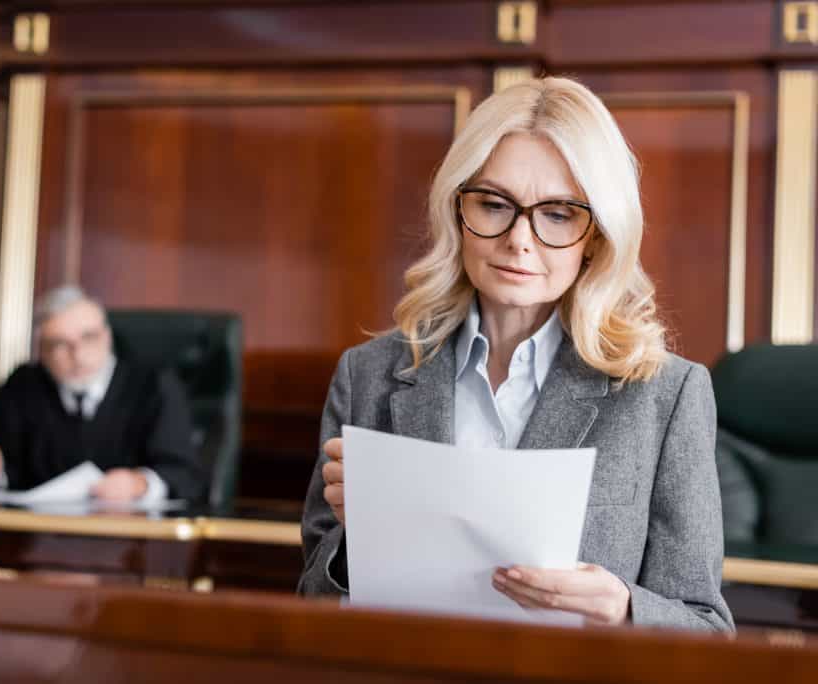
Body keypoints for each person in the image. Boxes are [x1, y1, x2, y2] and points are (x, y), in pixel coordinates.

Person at [298, 77, 733, 631]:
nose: (520, 240)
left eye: (557, 214)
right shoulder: (369, 376)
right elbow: (312, 601)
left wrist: (620, 608)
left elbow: (709, 630)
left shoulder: (665, 396)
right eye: (494, 204)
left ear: (595, 235)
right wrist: (360, 536)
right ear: (458, 211)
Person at [0, 285, 204, 503]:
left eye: (89, 337)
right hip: (37, 539)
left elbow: (184, 474)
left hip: (133, 541)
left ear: (107, 337)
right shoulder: (22, 387)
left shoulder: (154, 386)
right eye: (59, 344)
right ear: (41, 352)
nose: (77, 354)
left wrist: (139, 483)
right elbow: (9, 468)